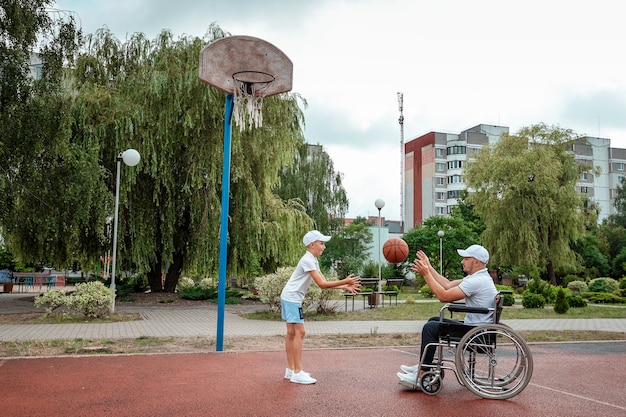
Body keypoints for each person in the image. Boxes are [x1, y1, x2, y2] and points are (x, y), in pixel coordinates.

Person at [397, 244, 497, 387]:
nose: (462, 261)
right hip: (478, 329)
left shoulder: (477, 281)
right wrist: (429, 267)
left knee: (430, 328)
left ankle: (421, 374)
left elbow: (443, 296)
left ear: (476, 262)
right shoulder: (478, 277)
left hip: (476, 334)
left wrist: (426, 274)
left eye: (466, 258)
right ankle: (423, 365)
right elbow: (448, 285)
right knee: (434, 321)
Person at [281, 230, 361, 384]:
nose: (323, 247)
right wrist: (344, 281)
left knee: (292, 333)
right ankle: (297, 372)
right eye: (321, 243)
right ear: (312, 245)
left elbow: (323, 281)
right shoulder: (308, 260)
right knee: (299, 332)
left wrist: (343, 286)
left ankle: (290, 370)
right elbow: (322, 285)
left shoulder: (312, 259)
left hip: (289, 297)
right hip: (292, 298)